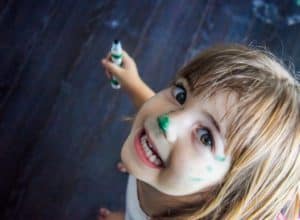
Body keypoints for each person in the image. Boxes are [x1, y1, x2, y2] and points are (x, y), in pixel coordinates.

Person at [98, 44, 300, 220]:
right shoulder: (163, 160)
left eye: (206, 138)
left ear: (227, 196)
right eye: (181, 94)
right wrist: (133, 83)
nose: (166, 122)